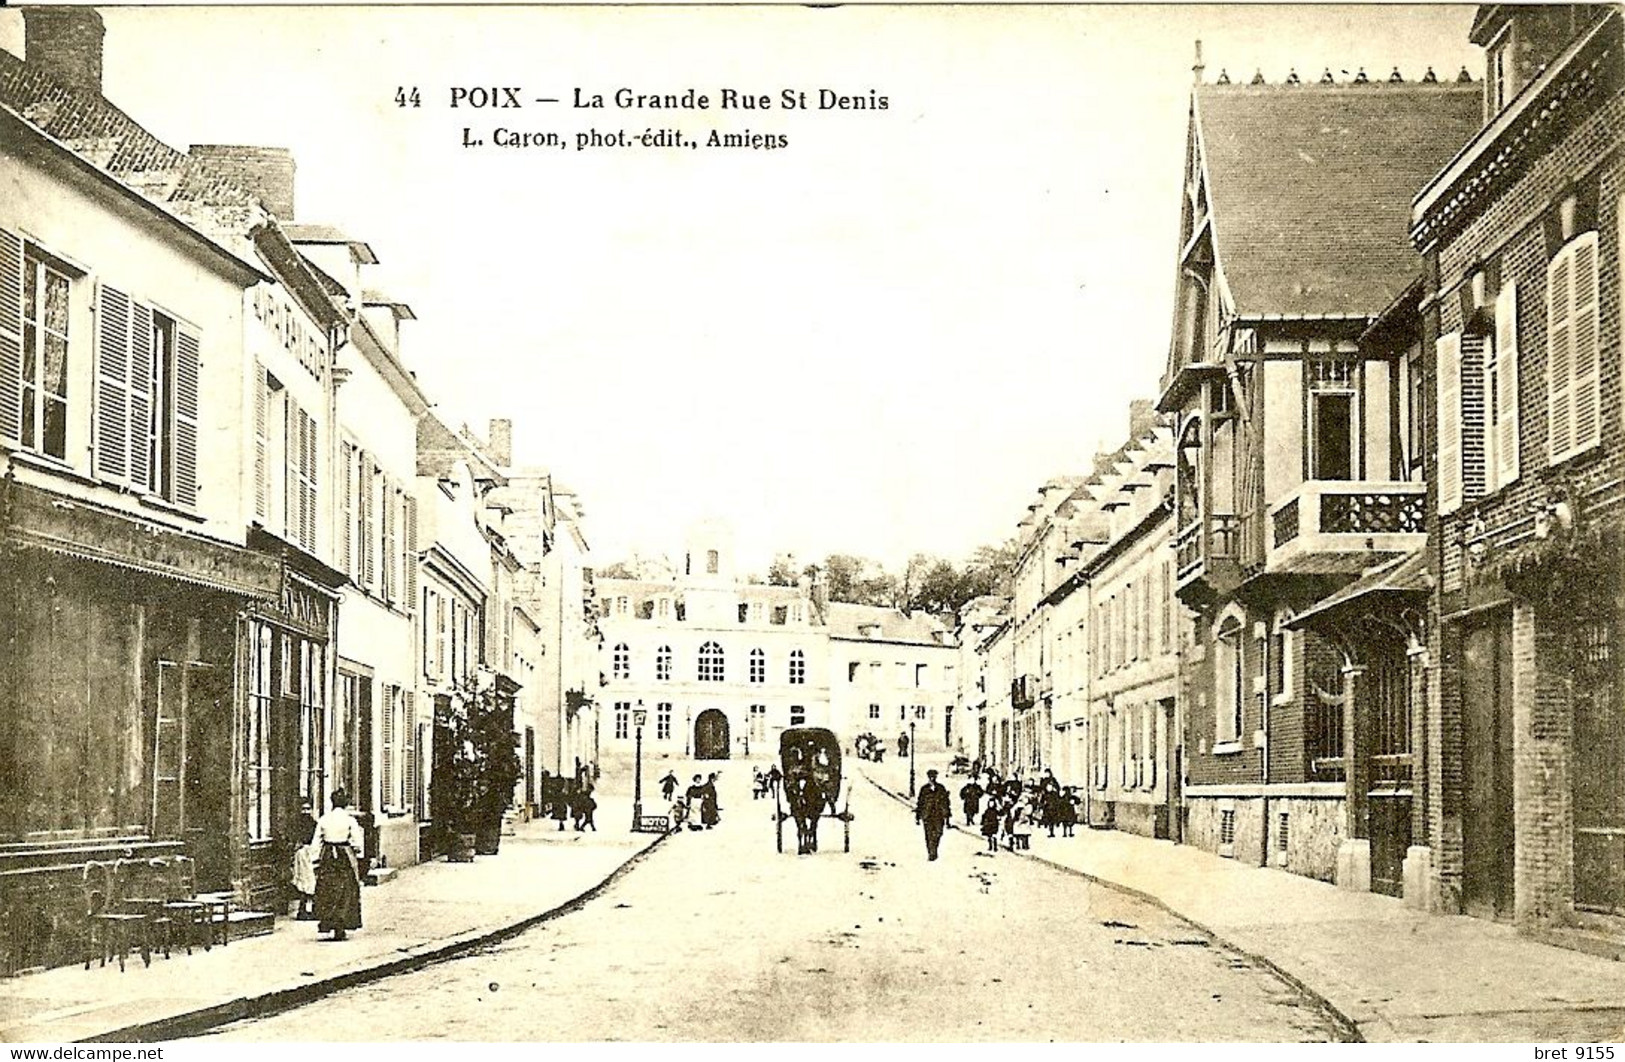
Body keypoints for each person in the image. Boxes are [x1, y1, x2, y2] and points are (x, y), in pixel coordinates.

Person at [311, 789, 364, 940]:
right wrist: (358, 854)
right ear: (346, 804)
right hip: (344, 855)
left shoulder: (324, 819)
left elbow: (316, 841)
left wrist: (315, 860)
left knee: (328, 889)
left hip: (328, 855)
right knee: (346, 888)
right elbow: (357, 842)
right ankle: (342, 923)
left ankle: (329, 922)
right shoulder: (349, 820)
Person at [915, 769, 952, 861]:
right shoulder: (924, 789)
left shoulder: (941, 788)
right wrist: (918, 816)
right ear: (928, 777)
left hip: (939, 815)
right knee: (929, 834)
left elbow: (946, 802)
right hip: (928, 815)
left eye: (934, 776)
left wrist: (947, 816)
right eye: (931, 776)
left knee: (939, 833)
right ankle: (932, 853)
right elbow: (920, 802)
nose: (932, 778)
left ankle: (934, 849)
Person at [290, 803, 318, 920]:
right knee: (303, 881)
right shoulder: (296, 825)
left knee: (312, 881)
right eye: (303, 809)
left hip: (312, 853)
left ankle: (312, 909)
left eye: (308, 809)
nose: (305, 812)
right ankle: (302, 910)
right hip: (301, 855)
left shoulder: (315, 824)